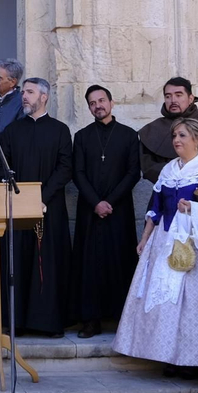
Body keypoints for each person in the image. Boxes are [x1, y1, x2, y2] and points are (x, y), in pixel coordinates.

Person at [113, 117, 198, 370]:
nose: (176, 140)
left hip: (194, 240)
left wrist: (197, 207)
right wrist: (145, 239)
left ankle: (188, 361)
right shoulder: (168, 170)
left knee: (189, 304)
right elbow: (155, 207)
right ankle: (166, 357)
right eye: (174, 136)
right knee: (163, 298)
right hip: (164, 240)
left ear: (196, 139)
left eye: (182, 135)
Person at [0, 77, 75, 337]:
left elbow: (65, 168)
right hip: (17, 210)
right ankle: (18, 323)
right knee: (19, 263)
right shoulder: (12, 131)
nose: (24, 96)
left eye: (29, 92)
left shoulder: (60, 130)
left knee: (48, 265)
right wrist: (20, 196)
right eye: (23, 92)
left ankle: (48, 323)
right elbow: (1, 167)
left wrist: (43, 198)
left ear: (44, 97)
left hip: (48, 209)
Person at [70, 85, 141, 337]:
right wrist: (96, 202)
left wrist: (109, 201)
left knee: (119, 260)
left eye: (101, 100)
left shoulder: (129, 135)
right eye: (92, 103)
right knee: (89, 264)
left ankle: (122, 317)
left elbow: (134, 173)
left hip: (119, 210)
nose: (97, 105)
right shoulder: (81, 136)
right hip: (90, 210)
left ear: (111, 103)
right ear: (89, 108)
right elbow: (77, 173)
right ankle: (91, 319)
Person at [138, 77, 198, 184]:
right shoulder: (153, 129)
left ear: (190, 98)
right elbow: (148, 167)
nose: (173, 100)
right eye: (168, 96)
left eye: (178, 95)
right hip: (166, 190)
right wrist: (174, 176)